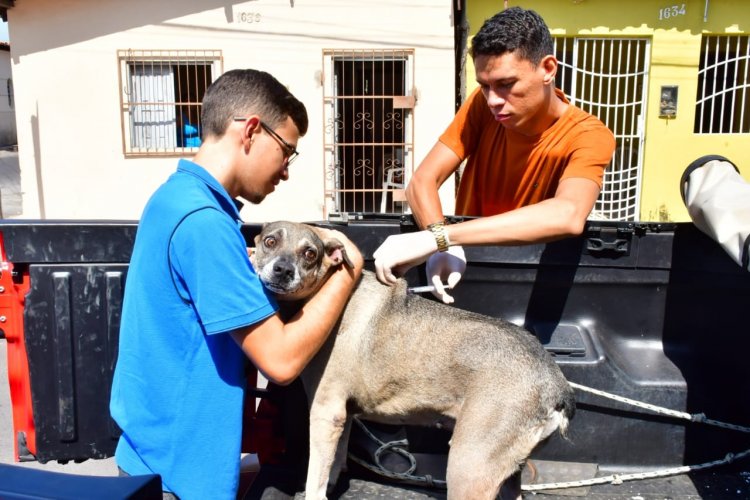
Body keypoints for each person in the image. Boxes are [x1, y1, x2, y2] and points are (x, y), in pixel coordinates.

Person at [109, 69, 364, 500]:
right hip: (182, 480)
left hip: (153, 459)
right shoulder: (205, 225)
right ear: (250, 131)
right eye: (287, 151)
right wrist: (347, 272)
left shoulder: (175, 198)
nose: (285, 171)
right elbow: (281, 363)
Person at [373, 7, 615, 304]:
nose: (493, 100)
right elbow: (422, 180)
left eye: (506, 84)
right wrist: (442, 244)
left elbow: (568, 214)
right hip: (466, 268)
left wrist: (439, 239)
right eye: (484, 86)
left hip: (532, 277)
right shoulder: (482, 106)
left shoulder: (588, 135)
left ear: (548, 69)